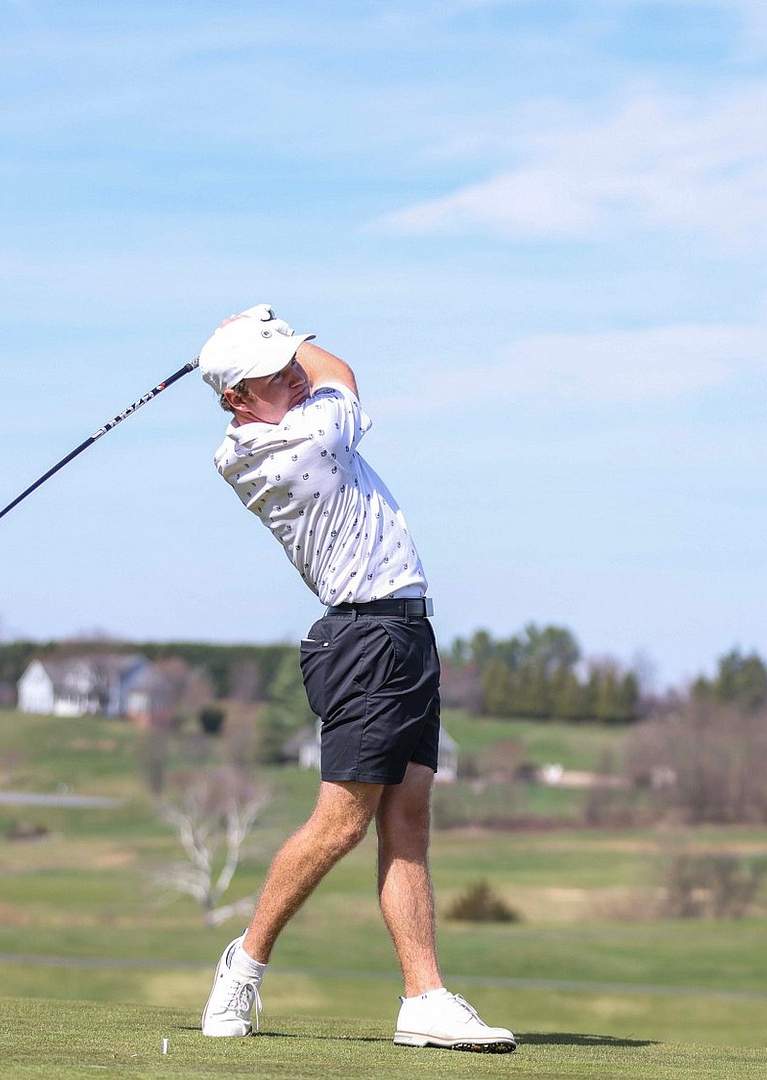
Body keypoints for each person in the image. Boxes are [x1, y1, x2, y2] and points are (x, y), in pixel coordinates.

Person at [194, 304, 515, 1053]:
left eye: (293, 369)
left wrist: (265, 342)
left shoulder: (255, 434)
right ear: (239, 398)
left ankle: (424, 999)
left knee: (408, 818)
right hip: (365, 638)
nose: (299, 378)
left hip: (401, 632)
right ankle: (242, 967)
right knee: (342, 822)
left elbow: (311, 377)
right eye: (279, 375)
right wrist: (289, 328)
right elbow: (344, 373)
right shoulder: (306, 438)